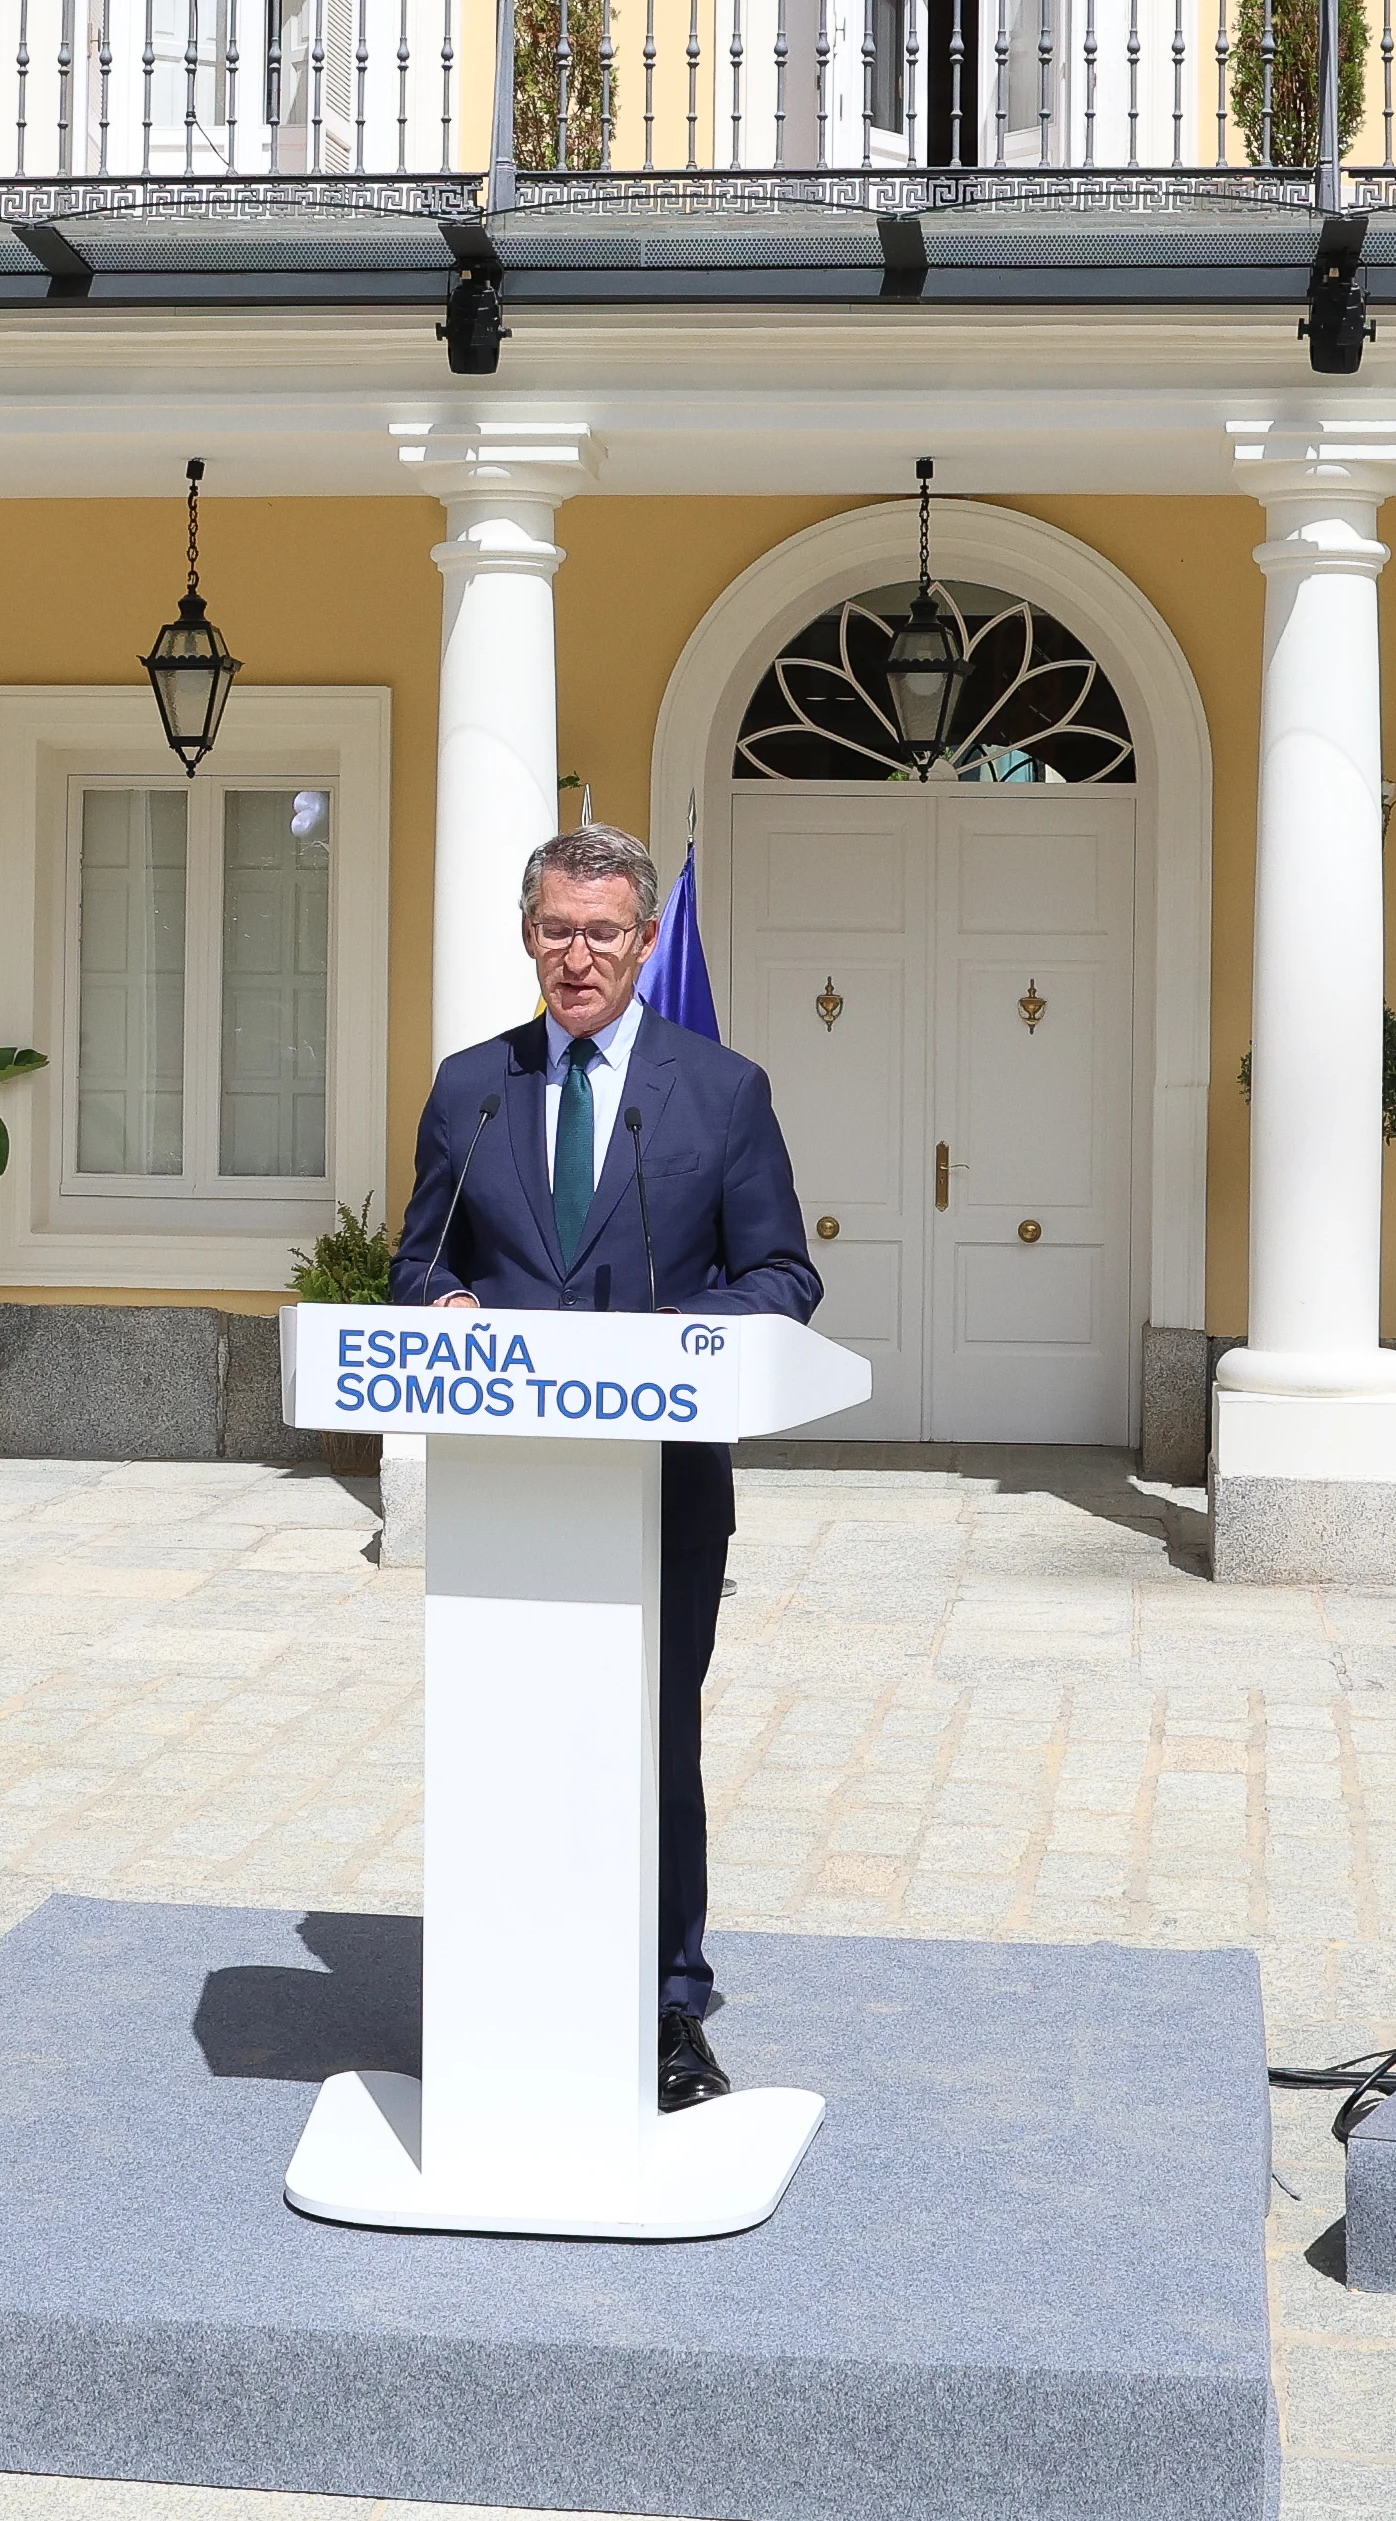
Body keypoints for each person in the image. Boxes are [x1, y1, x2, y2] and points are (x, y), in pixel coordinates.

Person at [390, 822, 820, 2114]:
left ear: (642, 940)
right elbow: (417, 1257)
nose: (576, 956)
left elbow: (781, 1275)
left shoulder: (719, 1090)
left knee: (647, 1734)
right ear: (527, 935)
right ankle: (513, 1973)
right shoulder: (469, 1086)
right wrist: (445, 1293)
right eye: (554, 929)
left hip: (663, 1481)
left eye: (602, 932)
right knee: (511, 1730)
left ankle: (666, 2001)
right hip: (507, 1484)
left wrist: (689, 1339)